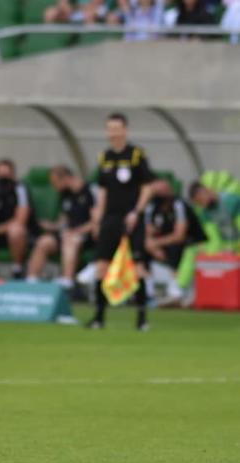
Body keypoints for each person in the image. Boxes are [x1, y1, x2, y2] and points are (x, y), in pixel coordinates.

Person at [88, 113, 159, 331]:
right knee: (101, 267)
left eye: (117, 128)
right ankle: (99, 318)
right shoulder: (105, 157)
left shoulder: (136, 155)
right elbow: (102, 191)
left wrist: (136, 212)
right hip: (110, 219)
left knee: (137, 268)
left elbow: (148, 187)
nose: (113, 132)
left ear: (125, 130)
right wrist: (97, 219)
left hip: (132, 219)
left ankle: (142, 319)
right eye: (110, 128)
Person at [26, 166, 98, 297]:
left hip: (86, 236)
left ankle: (67, 281)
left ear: (65, 178)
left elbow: (96, 221)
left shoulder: (90, 191)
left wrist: (76, 231)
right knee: (44, 241)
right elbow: (64, 219)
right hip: (68, 233)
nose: (54, 187)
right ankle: (31, 281)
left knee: (69, 239)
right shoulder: (65, 194)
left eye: (55, 183)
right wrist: (53, 226)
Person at [144, 180, 191, 305]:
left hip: (187, 243)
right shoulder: (151, 206)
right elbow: (147, 230)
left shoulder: (178, 204)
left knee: (176, 249)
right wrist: (152, 244)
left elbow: (180, 235)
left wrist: (156, 244)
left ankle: (176, 293)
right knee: (140, 250)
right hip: (162, 243)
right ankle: (148, 293)